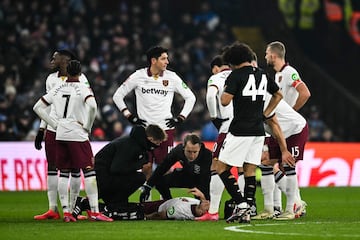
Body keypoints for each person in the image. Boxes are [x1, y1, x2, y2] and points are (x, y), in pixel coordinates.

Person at [33, 60, 112, 222]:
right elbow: (93, 106)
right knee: (89, 171)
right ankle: (95, 212)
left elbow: (37, 107)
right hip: (77, 133)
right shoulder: (83, 87)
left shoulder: (58, 87)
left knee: (64, 172)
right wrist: (88, 126)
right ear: (80, 72)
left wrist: (54, 123)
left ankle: (67, 213)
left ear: (67, 72)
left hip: (60, 133)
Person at [216, 42, 282, 223]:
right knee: (249, 169)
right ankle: (248, 207)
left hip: (240, 129)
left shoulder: (235, 75)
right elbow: (278, 95)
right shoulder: (262, 74)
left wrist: (226, 87)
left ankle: (242, 205)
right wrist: (266, 113)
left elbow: (224, 101)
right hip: (258, 130)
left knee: (221, 168)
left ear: (233, 62)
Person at [113, 46, 196, 186]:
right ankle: (148, 201)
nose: (167, 62)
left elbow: (191, 98)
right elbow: (117, 96)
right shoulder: (138, 76)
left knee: (166, 167)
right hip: (144, 131)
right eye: (163, 58)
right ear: (153, 60)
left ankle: (164, 201)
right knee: (145, 167)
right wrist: (129, 116)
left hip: (165, 130)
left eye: (167, 58)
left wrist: (180, 117)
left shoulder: (172, 77)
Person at [33, 50, 90, 220]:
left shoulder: (82, 78)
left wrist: (85, 126)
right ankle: (53, 209)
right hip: (53, 128)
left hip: (72, 129)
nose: (52, 59)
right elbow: (48, 106)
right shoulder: (51, 79)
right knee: (52, 167)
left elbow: (87, 104)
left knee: (73, 168)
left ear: (65, 60)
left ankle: (72, 209)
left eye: (55, 56)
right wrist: (42, 128)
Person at [265, 41, 310, 216]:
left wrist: (291, 111)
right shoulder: (277, 76)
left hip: (289, 125)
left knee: (285, 165)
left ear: (274, 55)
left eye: (267, 54)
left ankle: (295, 204)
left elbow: (305, 93)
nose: (266, 57)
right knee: (270, 163)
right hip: (278, 126)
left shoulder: (289, 72)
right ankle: (285, 205)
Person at [252, 97, 307, 220]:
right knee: (265, 163)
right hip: (275, 132)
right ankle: (268, 209)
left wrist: (284, 151)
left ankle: (292, 208)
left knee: (287, 164)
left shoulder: (263, 100)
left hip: (294, 130)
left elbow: (274, 123)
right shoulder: (249, 97)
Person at [94, 124, 167, 213]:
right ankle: (116, 203)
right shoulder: (131, 145)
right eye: (157, 143)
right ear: (150, 139)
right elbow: (117, 168)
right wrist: (140, 166)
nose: (158, 146)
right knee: (139, 178)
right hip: (103, 179)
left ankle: (116, 203)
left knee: (136, 177)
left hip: (103, 177)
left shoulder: (134, 143)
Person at [196, 54, 232, 221]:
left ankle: (213, 211)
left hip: (227, 126)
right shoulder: (242, 76)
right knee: (246, 168)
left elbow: (210, 97)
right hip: (250, 127)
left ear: (217, 67)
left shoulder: (216, 77)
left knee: (216, 165)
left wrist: (214, 117)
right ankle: (249, 207)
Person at [139, 133, 212, 202]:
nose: (192, 155)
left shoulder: (207, 155)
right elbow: (162, 167)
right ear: (183, 147)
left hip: (201, 180)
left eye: (195, 152)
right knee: (160, 182)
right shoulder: (178, 151)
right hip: (186, 176)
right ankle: (169, 203)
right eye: (189, 151)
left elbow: (205, 178)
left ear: (200, 148)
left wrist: (202, 198)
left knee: (203, 207)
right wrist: (148, 186)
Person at [144, 188, 210, 220]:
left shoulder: (182, 211)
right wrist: (202, 196)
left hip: (156, 207)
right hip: (166, 202)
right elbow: (202, 203)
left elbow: (161, 215)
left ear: (203, 213)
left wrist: (146, 217)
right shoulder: (197, 204)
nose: (207, 202)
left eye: (207, 205)